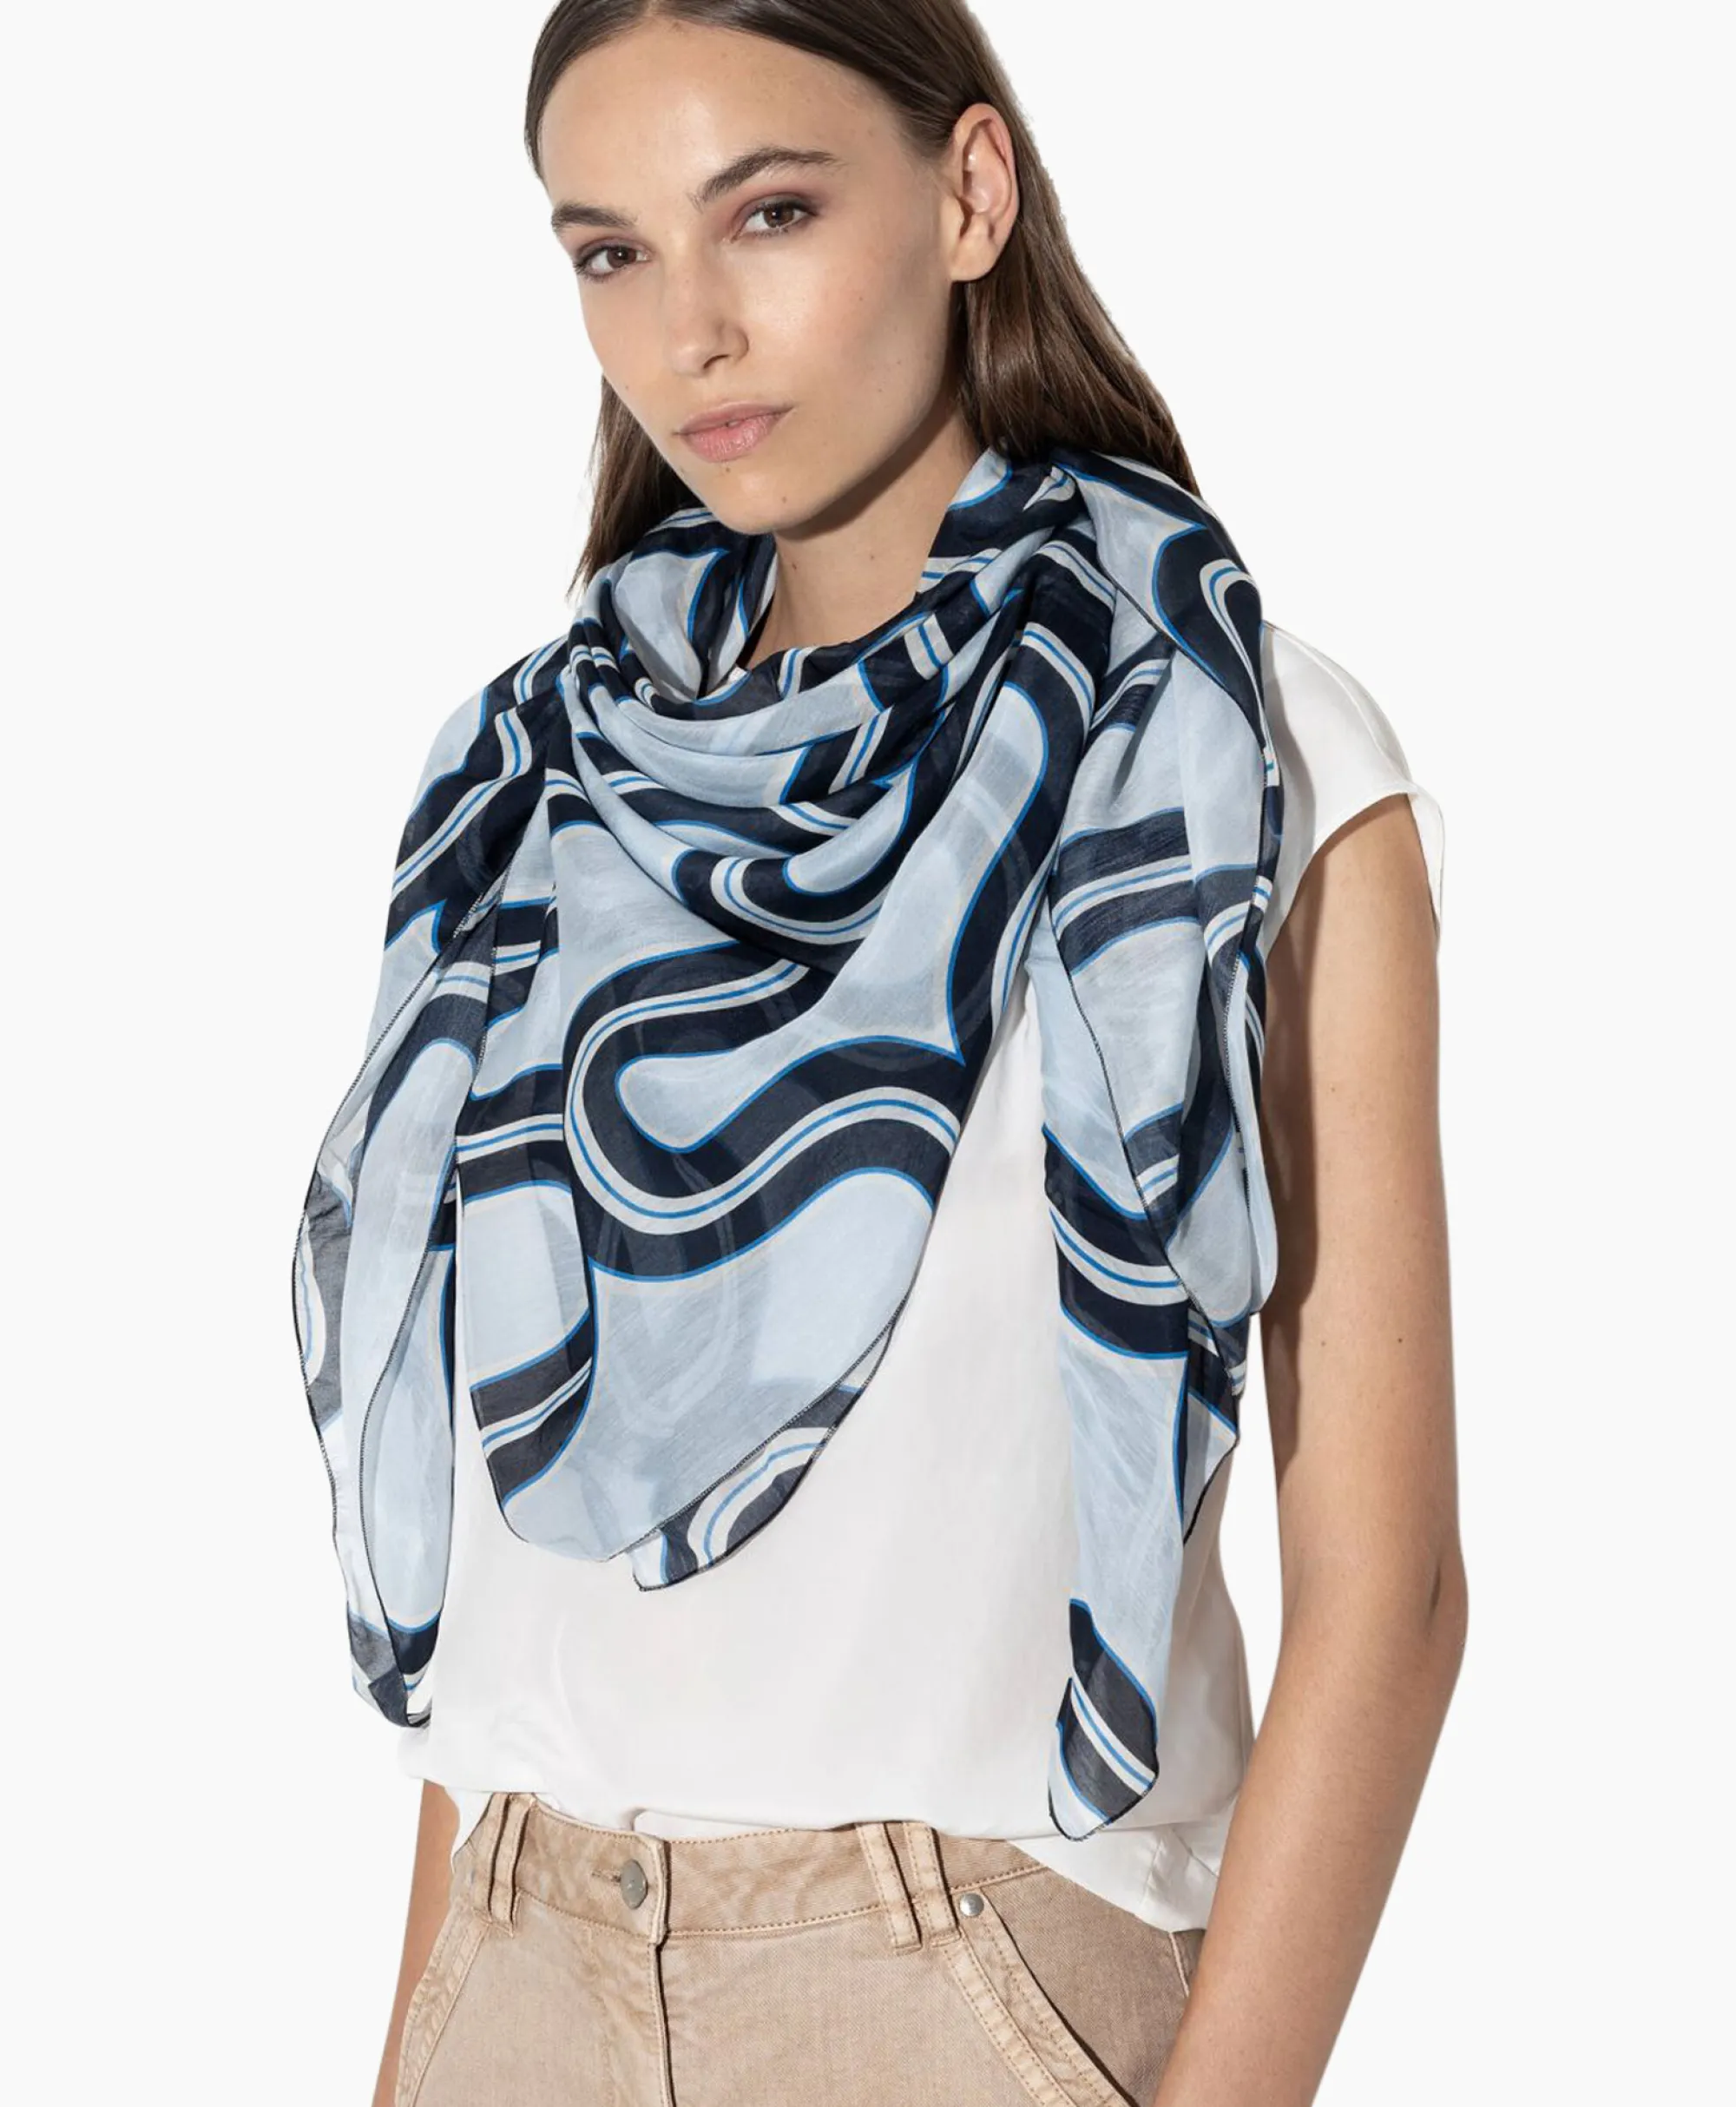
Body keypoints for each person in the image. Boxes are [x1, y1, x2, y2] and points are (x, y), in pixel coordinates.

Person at [295, 5, 1464, 2104]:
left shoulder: (1234, 757)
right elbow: (512, 1587)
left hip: (956, 1989)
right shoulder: (537, 788)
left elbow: (1386, 1596)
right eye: (610, 251)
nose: (689, 330)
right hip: (516, 1969)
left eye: (768, 213)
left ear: (968, 195)